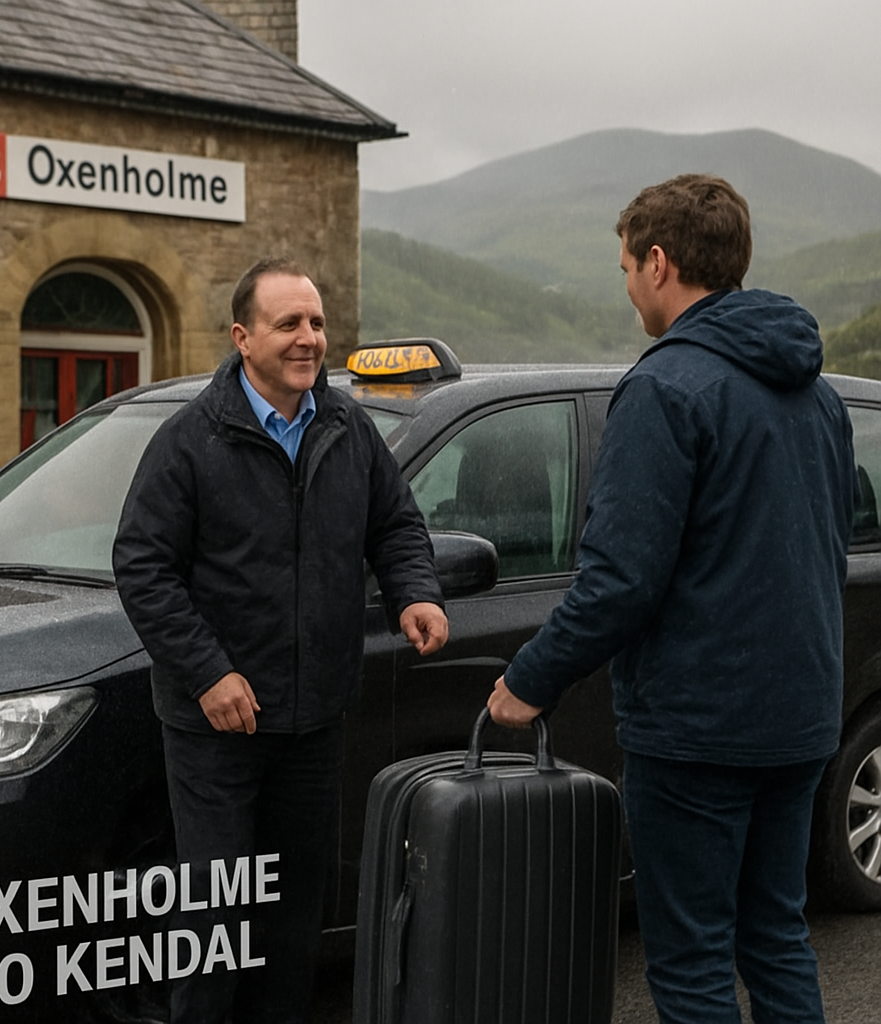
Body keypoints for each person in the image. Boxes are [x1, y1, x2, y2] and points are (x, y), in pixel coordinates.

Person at [488, 174, 857, 1023]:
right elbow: (824, 547)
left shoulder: (664, 388)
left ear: (659, 263)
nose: (626, 287)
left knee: (691, 963)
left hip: (698, 733)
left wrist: (530, 680)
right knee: (776, 936)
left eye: (625, 267)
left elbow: (621, 579)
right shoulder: (820, 395)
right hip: (801, 718)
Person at [113, 256, 448, 1024]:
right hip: (217, 728)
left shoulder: (347, 428)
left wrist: (416, 594)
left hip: (314, 718)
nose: (309, 339)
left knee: (295, 917)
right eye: (289, 323)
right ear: (243, 337)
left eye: (318, 323)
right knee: (216, 916)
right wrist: (208, 674)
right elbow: (142, 566)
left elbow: (395, 525)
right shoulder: (190, 440)